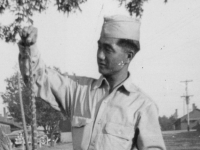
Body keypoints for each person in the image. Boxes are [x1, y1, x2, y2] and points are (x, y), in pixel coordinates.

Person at [18, 15, 166, 150]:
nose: (100, 55)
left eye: (108, 49)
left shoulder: (143, 106)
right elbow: (37, 78)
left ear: (128, 56)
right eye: (99, 46)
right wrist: (28, 48)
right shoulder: (78, 91)